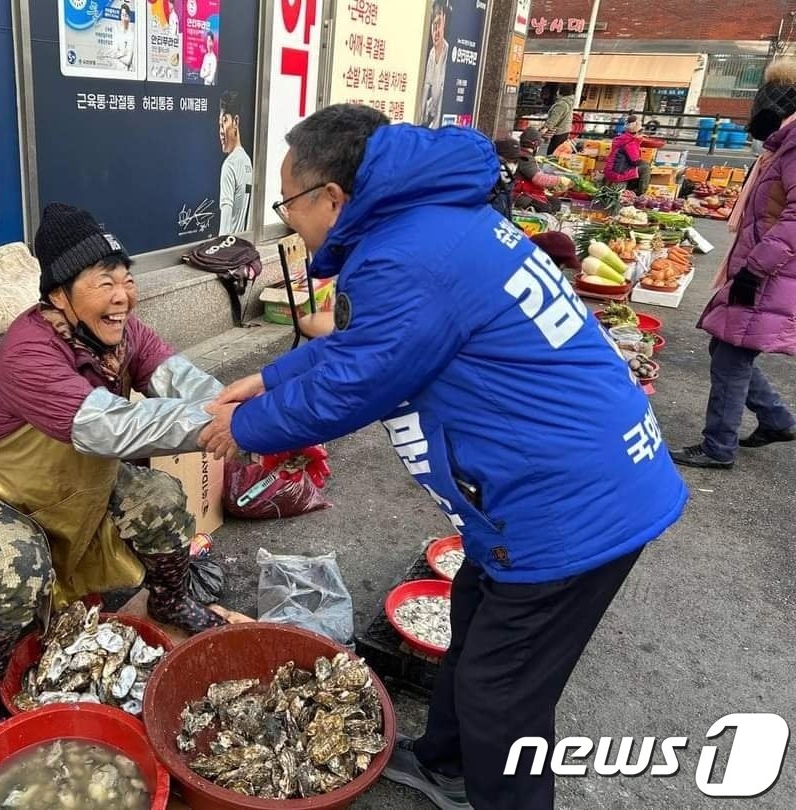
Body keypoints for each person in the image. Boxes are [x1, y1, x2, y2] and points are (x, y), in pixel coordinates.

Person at [200, 103, 687, 810]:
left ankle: (488, 783)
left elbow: (359, 385)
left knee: (504, 697)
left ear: (331, 198)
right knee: (476, 611)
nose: (287, 220)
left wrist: (246, 428)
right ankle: (449, 764)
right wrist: (271, 377)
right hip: (565, 480)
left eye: (287, 202)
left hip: (568, 505)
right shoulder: (434, 227)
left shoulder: (403, 254)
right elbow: (383, 346)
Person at [0, 204, 245, 744]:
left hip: (78, 482)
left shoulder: (124, 335)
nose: (123, 295)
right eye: (105, 283)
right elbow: (110, 429)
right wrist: (222, 426)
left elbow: (180, 381)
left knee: (162, 498)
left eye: (127, 279)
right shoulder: (28, 351)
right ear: (59, 294)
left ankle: (170, 598)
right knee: (16, 565)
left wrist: (238, 410)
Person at [671, 58, 796, 469]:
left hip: (769, 271)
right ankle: (776, 419)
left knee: (731, 355)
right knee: (727, 345)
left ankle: (717, 447)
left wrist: (754, 270)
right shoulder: (783, 143)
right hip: (765, 265)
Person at [217, 91, 253, 235]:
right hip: (243, 247)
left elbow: (226, 218)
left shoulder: (229, 165)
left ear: (236, 121)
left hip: (230, 251)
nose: (220, 131)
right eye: (219, 125)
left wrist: (218, 252)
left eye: (224, 121)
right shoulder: (247, 162)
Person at [513, 127, 570, 213]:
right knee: (545, 208)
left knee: (555, 202)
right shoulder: (525, 158)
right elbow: (539, 179)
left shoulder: (524, 155)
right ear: (536, 145)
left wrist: (534, 159)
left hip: (526, 192)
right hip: (518, 194)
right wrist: (559, 180)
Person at [420, 0, 449, 128]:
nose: (436, 31)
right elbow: (427, 87)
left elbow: (439, 93)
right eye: (434, 26)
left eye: (438, 24)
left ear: (444, 22)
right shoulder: (431, 54)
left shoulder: (447, 52)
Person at [603, 116, 650, 194]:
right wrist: (637, 140)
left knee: (641, 167)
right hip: (618, 173)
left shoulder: (623, 138)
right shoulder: (630, 142)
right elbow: (635, 160)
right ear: (638, 132)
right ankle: (640, 194)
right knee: (645, 167)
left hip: (611, 170)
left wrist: (637, 139)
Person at [540, 85, 576, 155]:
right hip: (565, 129)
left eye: (558, 90)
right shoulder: (569, 102)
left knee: (553, 153)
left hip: (559, 131)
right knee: (559, 152)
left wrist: (544, 129)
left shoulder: (561, 104)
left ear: (560, 92)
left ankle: (549, 165)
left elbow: (554, 118)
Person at [489, 136, 519, 219]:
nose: (512, 166)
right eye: (507, 161)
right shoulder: (487, 186)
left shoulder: (507, 183)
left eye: (515, 161)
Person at [114, 3, 135, 71]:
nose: (124, 18)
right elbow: (113, 53)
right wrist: (123, 54)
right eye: (122, 15)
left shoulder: (131, 36)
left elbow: (128, 60)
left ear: (129, 18)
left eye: (126, 15)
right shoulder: (117, 34)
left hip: (128, 73)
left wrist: (117, 56)